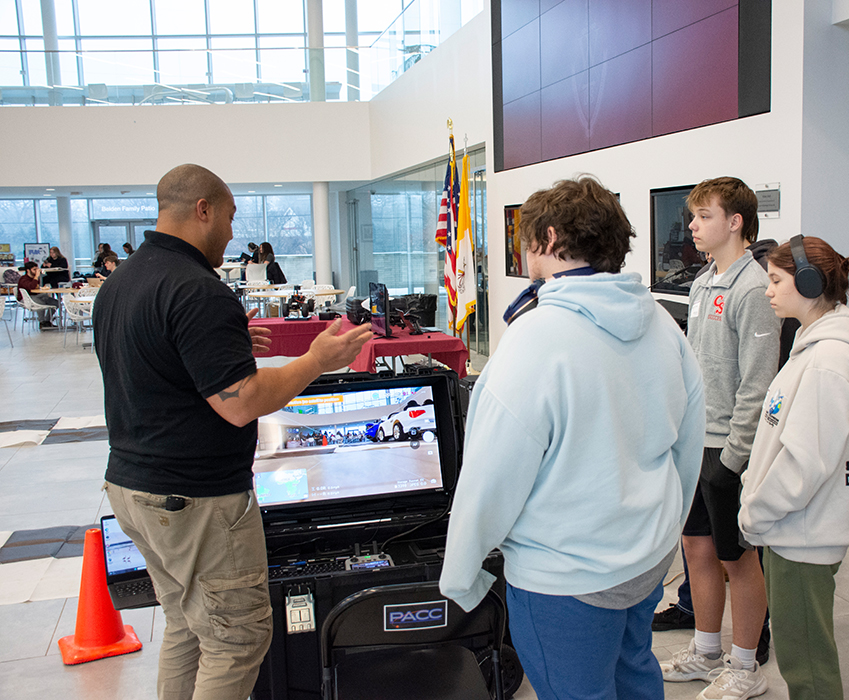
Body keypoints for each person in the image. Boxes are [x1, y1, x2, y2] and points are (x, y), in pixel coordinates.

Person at [93, 163, 372, 700]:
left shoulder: (122, 281)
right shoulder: (197, 290)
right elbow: (241, 406)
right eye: (228, 217)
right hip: (195, 502)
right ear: (202, 210)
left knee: (189, 626)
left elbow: (154, 362)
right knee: (237, 639)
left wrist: (221, 345)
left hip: (132, 489)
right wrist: (317, 359)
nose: (230, 232)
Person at [440, 175, 705, 700]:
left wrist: (462, 574)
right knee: (634, 673)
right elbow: (689, 440)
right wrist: (664, 524)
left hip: (566, 576)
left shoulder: (535, 341)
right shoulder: (660, 321)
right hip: (646, 555)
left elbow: (491, 476)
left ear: (550, 238)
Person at [739, 235, 849, 700]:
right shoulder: (812, 347)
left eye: (776, 280)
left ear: (809, 283)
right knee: (804, 657)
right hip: (794, 529)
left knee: (808, 668)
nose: (768, 290)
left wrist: (757, 512)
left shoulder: (827, 360)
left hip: (801, 532)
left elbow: (805, 461)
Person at [660, 177, 779, 700]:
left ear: (735, 222)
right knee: (697, 549)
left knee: (738, 558)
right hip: (697, 442)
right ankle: (708, 652)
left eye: (703, 216)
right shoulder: (705, 281)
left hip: (729, 448)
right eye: (693, 216)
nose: (692, 226)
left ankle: (746, 665)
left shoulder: (754, 288)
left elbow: (757, 382)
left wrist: (732, 458)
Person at [17, 261, 59, 327]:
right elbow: (32, 287)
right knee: (41, 302)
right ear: (28, 270)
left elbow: (36, 288)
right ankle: (42, 322)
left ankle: (47, 321)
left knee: (56, 302)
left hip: (35, 295)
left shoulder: (35, 278)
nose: (36, 271)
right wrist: (36, 276)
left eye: (37, 269)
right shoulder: (23, 279)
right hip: (25, 298)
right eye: (34, 270)